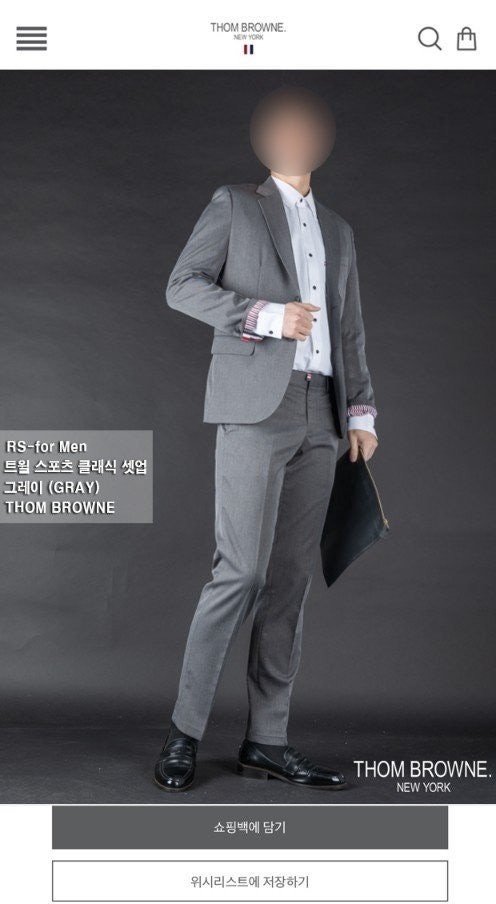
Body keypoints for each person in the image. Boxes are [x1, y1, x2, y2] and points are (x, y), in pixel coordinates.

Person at [154, 86, 378, 792]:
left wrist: (361, 414)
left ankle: (267, 742)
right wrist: (265, 315)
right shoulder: (235, 205)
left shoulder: (339, 231)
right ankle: (184, 733)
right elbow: (182, 285)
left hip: (323, 414)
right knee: (241, 572)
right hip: (257, 406)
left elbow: (348, 329)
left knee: (289, 582)